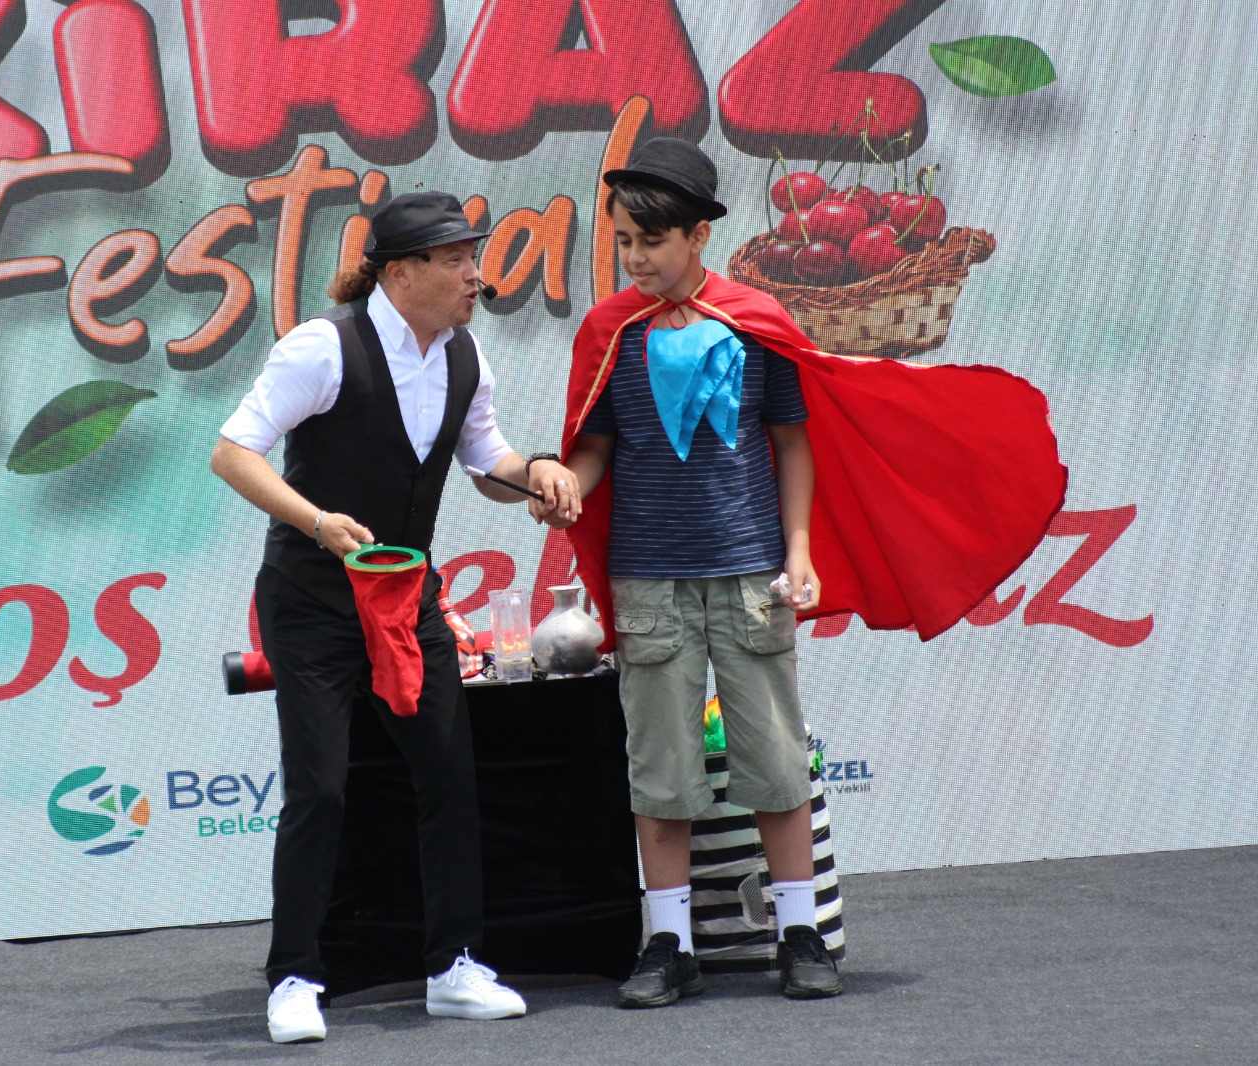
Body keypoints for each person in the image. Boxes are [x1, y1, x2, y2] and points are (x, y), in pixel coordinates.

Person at [540, 138, 1066, 1006]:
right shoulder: (609, 332)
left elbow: (792, 442)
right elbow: (594, 448)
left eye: (652, 240)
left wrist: (798, 552)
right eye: (624, 241)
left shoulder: (754, 321)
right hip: (649, 581)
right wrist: (566, 485)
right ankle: (669, 945)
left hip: (751, 576)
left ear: (700, 236)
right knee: (662, 772)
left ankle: (801, 933)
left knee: (776, 762)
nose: (635, 257)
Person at [211, 191, 580, 1044]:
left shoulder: (464, 355)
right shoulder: (324, 347)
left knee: (449, 777)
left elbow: (486, 461)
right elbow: (233, 453)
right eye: (456, 261)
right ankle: (294, 977)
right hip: (311, 600)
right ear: (402, 272)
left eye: (472, 258)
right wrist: (316, 521)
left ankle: (455, 966)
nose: (474, 276)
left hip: (409, 598)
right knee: (320, 787)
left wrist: (538, 474)